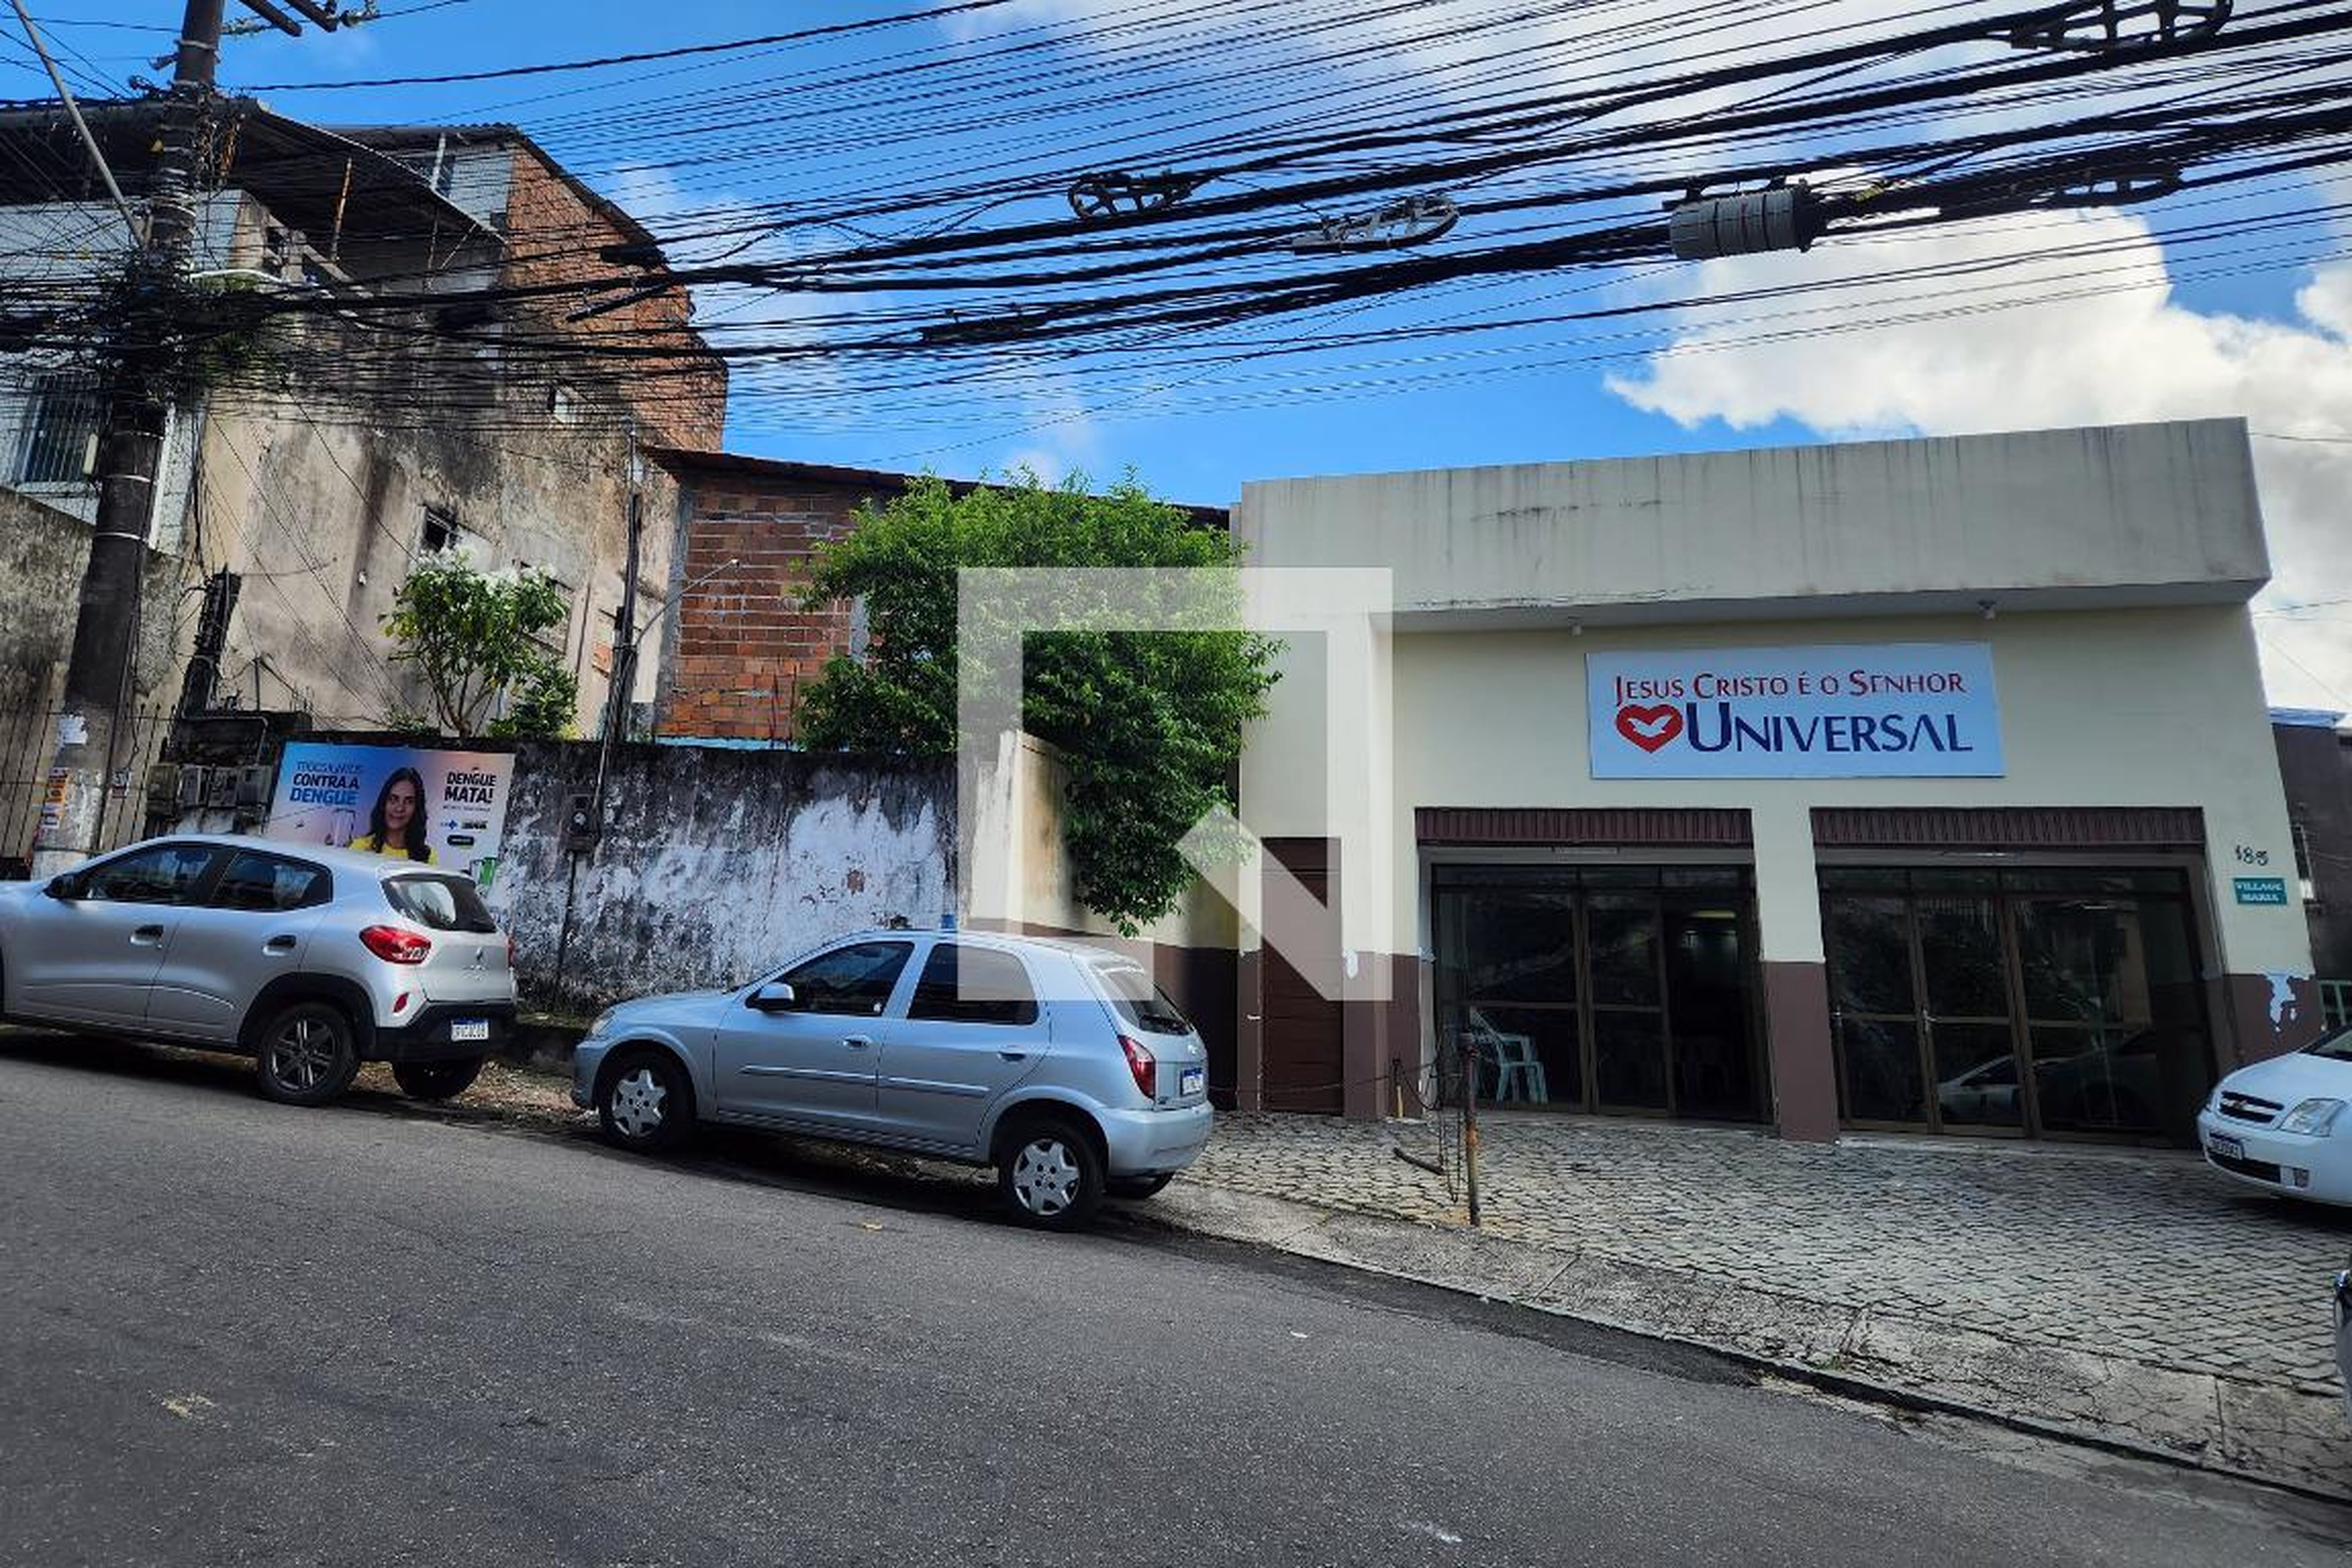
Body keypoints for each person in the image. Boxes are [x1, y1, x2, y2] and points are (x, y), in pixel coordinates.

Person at [350, 767, 435, 863]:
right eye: (394, 799)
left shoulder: (427, 857)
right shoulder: (360, 848)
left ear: (417, 808)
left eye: (409, 801)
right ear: (384, 803)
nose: (400, 808)